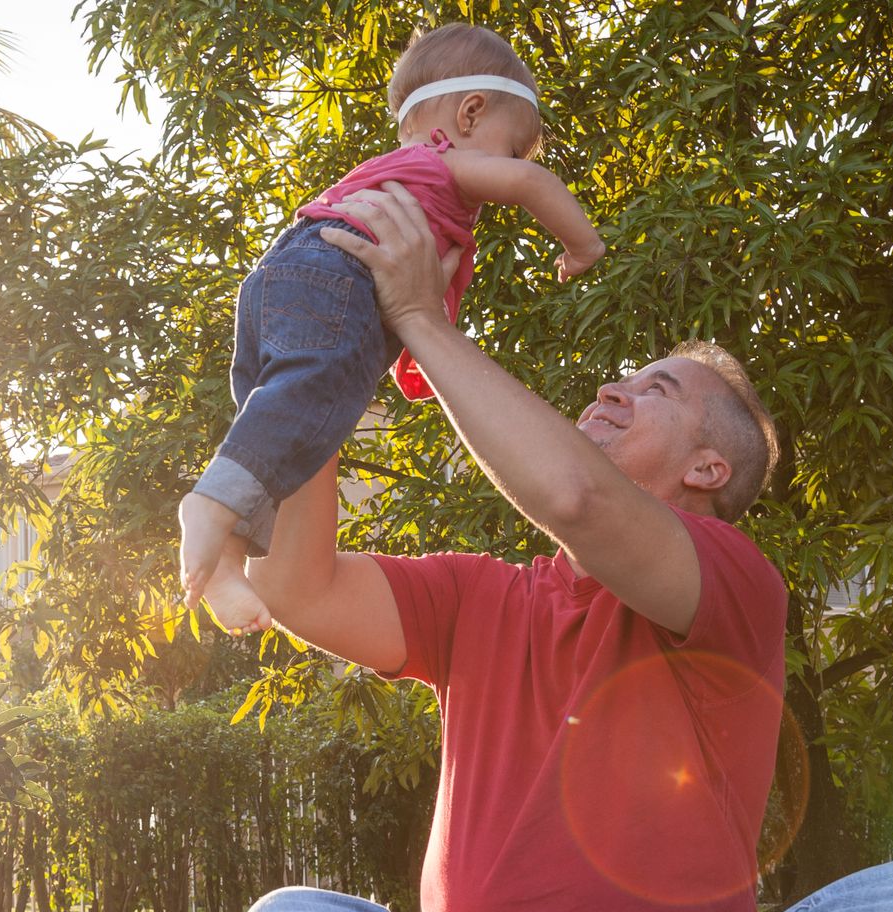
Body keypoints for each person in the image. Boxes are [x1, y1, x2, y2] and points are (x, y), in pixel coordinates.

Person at [225, 180, 893, 912]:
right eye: (620, 379)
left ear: (707, 467)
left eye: (657, 391)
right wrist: (320, 353)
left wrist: (418, 314)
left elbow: (574, 497)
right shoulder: (473, 593)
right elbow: (294, 584)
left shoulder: (731, 575)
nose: (611, 391)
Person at [178, 24, 606, 634]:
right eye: (511, 148)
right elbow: (534, 185)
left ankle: (223, 564)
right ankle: (209, 504)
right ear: (470, 112)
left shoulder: (398, 169)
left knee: (289, 426)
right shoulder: (447, 161)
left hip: (283, 272)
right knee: (313, 398)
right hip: (336, 271)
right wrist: (582, 245)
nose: (506, 167)